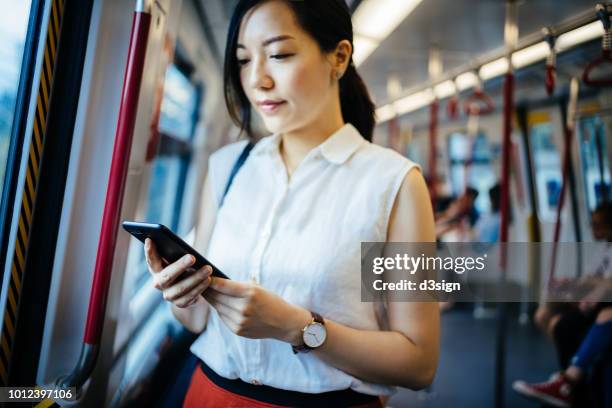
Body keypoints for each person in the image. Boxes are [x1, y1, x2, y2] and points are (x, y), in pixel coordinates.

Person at [145, 1, 439, 406]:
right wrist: (182, 294)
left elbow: (418, 363)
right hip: (208, 394)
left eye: (280, 55)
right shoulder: (228, 166)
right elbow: (196, 322)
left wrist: (295, 327)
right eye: (244, 61)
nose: (257, 80)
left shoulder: (395, 184)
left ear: (338, 56)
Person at [513, 202, 612, 407]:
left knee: (562, 324)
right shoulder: (604, 249)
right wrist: (570, 284)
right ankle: (569, 375)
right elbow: (593, 277)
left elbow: (605, 282)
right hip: (597, 300)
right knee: (546, 313)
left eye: (599, 224)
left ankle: (571, 382)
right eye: (592, 224)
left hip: (602, 305)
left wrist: (589, 289)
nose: (595, 229)